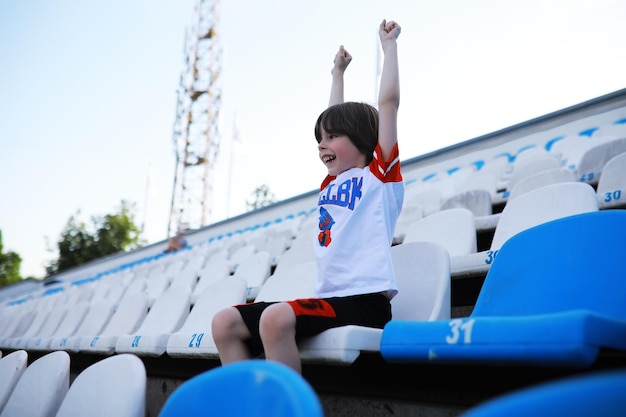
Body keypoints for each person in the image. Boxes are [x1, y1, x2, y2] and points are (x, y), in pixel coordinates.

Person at [211, 19, 403, 374]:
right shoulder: (329, 186)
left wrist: (388, 47)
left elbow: (388, 104)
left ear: (362, 139)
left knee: (275, 318)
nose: (321, 144)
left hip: (365, 303)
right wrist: (337, 74)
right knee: (225, 322)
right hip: (328, 301)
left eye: (331, 138)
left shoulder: (380, 175)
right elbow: (334, 117)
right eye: (320, 138)